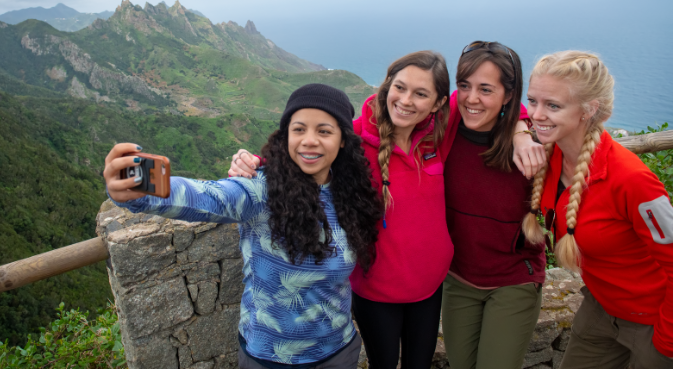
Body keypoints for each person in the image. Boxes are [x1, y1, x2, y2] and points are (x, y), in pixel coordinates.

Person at [229, 50, 545, 369]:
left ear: (436, 103)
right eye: (400, 87)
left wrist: (520, 131)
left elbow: (489, 98)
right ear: (387, 87)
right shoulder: (352, 138)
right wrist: (255, 163)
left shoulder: (441, 131)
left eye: (421, 94)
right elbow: (305, 152)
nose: (406, 100)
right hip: (374, 288)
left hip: (429, 286)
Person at [104, 84, 382, 369]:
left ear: (343, 140)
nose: (309, 140)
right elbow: (207, 197)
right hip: (269, 357)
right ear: (286, 135)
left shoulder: (350, 194)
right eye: (298, 129)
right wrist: (139, 189)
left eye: (324, 131)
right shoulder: (262, 190)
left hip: (337, 352)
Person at [524, 51, 673, 369]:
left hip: (654, 319)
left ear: (588, 110)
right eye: (532, 101)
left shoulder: (632, 180)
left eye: (552, 105)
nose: (536, 114)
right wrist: (517, 134)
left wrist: (666, 342)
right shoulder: (549, 158)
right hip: (600, 307)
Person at [439, 41, 547, 369]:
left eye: (486, 89)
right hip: (458, 278)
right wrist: (520, 125)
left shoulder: (529, 151)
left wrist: (519, 130)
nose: (472, 98)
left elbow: (558, 204)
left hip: (513, 279)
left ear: (509, 94)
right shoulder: (444, 130)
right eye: (465, 86)